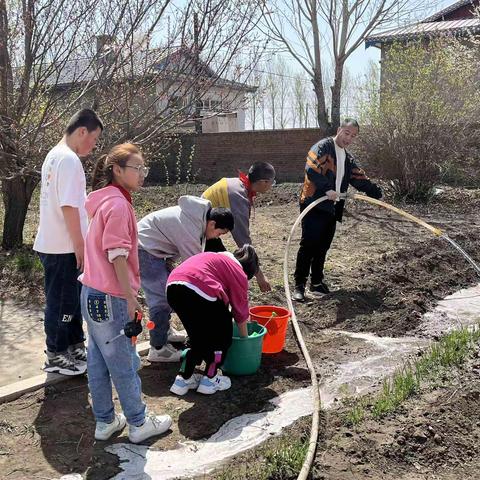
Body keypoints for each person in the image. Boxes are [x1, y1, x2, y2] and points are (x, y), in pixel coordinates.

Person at [79, 143, 172, 443]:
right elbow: (117, 254)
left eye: (143, 168)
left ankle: (105, 421)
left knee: (98, 359)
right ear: (117, 170)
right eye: (137, 168)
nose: (142, 173)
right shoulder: (118, 205)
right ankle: (138, 421)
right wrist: (130, 297)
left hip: (91, 292)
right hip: (111, 296)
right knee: (123, 360)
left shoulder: (104, 202)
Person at [34, 108, 103, 375]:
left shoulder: (54, 155)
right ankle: (55, 353)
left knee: (70, 301)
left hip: (55, 243)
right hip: (63, 246)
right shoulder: (69, 160)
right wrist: (80, 245)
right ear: (82, 131)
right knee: (62, 303)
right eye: (94, 138)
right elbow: (69, 207)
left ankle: (73, 345)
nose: (93, 145)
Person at [293, 118, 382, 302]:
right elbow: (311, 167)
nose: (349, 138)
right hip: (314, 203)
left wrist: (373, 191)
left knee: (323, 245)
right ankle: (299, 285)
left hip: (332, 207)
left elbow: (357, 177)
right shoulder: (324, 147)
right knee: (309, 244)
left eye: (353, 136)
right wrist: (327, 188)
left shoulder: (347, 157)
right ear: (339, 130)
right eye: (347, 133)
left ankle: (316, 282)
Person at [137, 198, 234, 363]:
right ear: (212, 224)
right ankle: (158, 348)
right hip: (145, 250)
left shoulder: (199, 218)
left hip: (159, 249)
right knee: (160, 299)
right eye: (219, 233)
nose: (216, 238)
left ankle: (165, 331)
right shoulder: (191, 229)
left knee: (167, 293)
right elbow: (195, 269)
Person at [166, 245, 259, 396]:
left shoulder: (216, 258)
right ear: (247, 270)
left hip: (173, 287)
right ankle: (210, 379)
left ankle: (183, 379)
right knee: (221, 338)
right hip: (200, 290)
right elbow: (240, 312)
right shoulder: (238, 271)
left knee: (197, 336)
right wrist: (245, 340)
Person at [202, 162, 275, 293]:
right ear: (263, 182)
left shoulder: (238, 185)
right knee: (222, 267)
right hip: (200, 231)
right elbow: (242, 239)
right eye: (271, 182)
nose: (271, 186)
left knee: (222, 263)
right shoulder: (238, 195)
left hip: (207, 229)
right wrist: (260, 276)